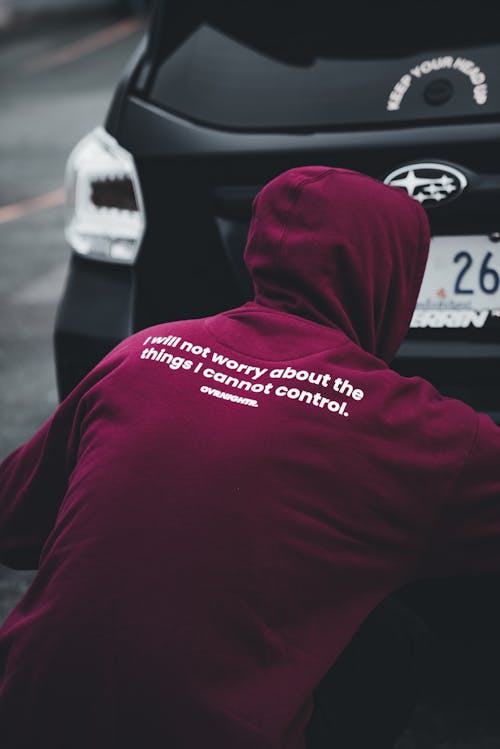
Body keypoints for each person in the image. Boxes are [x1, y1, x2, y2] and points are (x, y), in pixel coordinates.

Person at [0, 166, 499, 749]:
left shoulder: (142, 353)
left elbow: (14, 521)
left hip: (24, 712)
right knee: (390, 641)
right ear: (394, 276)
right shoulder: (411, 426)